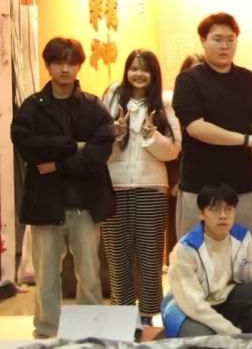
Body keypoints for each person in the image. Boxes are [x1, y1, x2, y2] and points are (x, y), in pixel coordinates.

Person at [11, 37, 115, 338]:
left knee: (90, 275)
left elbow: (100, 149)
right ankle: (47, 333)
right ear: (48, 65)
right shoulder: (33, 106)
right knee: (46, 276)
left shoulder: (93, 105)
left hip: (85, 202)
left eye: (72, 63)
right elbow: (24, 143)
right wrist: (71, 145)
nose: (65, 69)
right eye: (58, 62)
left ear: (79, 66)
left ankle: (89, 333)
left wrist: (58, 163)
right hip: (45, 204)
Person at [102, 49, 182, 326]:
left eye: (145, 69)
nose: (138, 74)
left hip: (152, 187)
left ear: (153, 74)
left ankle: (147, 317)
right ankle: (123, 317)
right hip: (115, 186)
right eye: (133, 68)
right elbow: (98, 146)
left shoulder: (165, 104)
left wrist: (152, 136)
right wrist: (114, 133)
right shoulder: (112, 99)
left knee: (150, 256)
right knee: (118, 256)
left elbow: (173, 151)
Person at [172, 12, 252, 240]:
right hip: (199, 183)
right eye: (217, 39)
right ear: (203, 40)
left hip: (241, 182)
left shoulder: (249, 79)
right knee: (195, 252)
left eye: (231, 40)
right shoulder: (188, 81)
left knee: (242, 250)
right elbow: (196, 128)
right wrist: (247, 139)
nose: (225, 46)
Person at [162, 183, 252, 339]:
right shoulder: (185, 248)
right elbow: (194, 304)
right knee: (205, 340)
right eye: (215, 209)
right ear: (201, 214)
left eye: (229, 209)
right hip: (186, 308)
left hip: (224, 300)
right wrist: (232, 332)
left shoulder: (242, 237)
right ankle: (237, 340)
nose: (223, 215)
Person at [164, 53, 204, 266]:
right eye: (191, 71)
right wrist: (176, 178)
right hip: (176, 174)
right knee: (179, 232)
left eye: (201, 70)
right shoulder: (170, 103)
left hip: (202, 174)